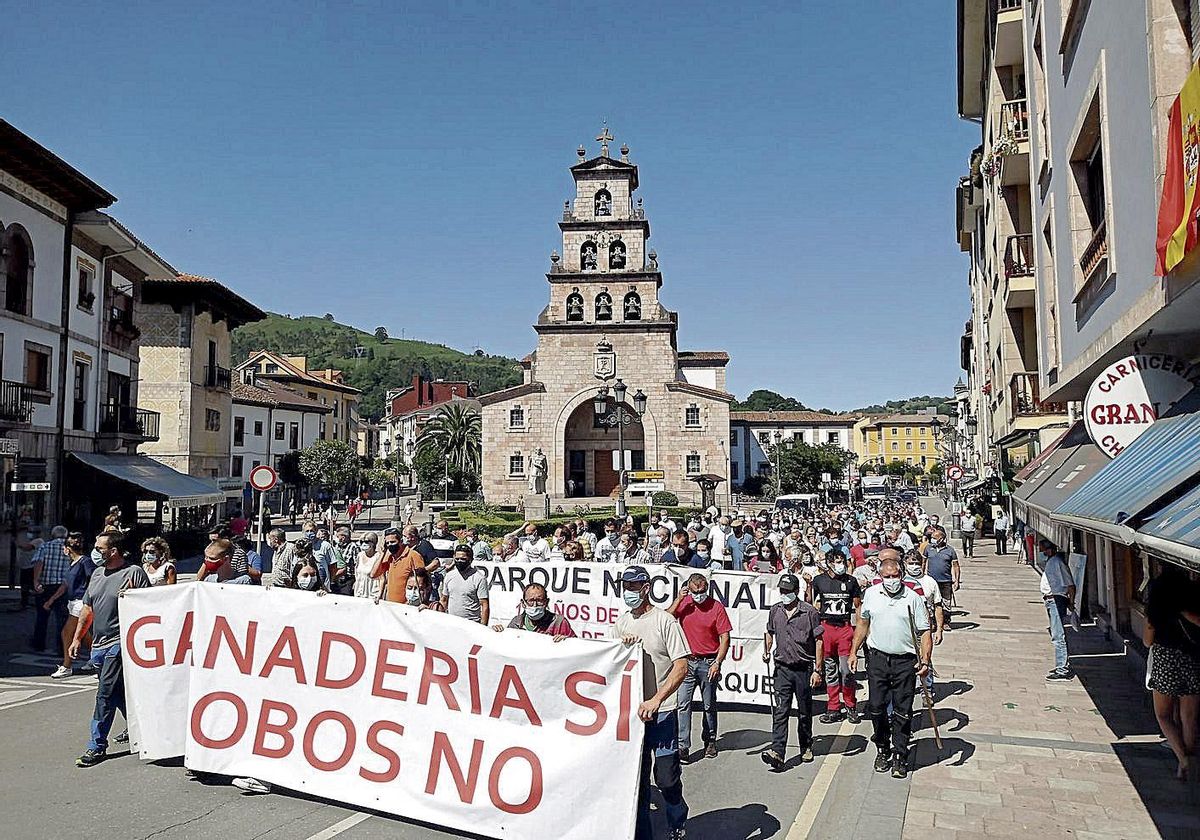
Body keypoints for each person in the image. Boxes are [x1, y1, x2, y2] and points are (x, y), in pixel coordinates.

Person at [614, 566, 690, 840]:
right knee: (638, 782)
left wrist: (657, 699)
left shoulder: (664, 621)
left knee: (666, 779)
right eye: (625, 586)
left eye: (633, 586)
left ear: (646, 588)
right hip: (634, 716)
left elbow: (681, 666)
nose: (628, 591)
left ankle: (677, 817)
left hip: (663, 713)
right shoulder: (622, 624)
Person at [849, 553, 932, 779]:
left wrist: (925, 660)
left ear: (901, 575)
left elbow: (925, 632)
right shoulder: (871, 594)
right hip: (877, 660)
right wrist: (854, 651)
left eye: (895, 576)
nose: (892, 580)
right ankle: (882, 748)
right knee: (876, 707)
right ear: (880, 576)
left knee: (902, 710)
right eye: (887, 576)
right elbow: (863, 623)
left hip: (905, 661)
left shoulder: (913, 598)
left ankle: (900, 754)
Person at [70, 531, 150, 766]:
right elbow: (88, 609)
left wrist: (135, 596)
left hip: (119, 643)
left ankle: (97, 746)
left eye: (100, 548)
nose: (95, 552)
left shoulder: (133, 572)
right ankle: (143, 730)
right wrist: (77, 638)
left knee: (104, 694)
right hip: (98, 646)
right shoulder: (97, 573)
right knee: (117, 693)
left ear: (113, 551)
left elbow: (150, 608)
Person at [761, 573, 824, 769]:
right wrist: (766, 650)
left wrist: (818, 670)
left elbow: (819, 641)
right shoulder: (775, 610)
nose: (784, 594)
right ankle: (777, 752)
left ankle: (806, 746)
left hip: (803, 669)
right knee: (781, 711)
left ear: (796, 591)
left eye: (788, 591)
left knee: (804, 712)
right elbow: (769, 632)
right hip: (782, 669)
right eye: (782, 590)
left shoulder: (809, 612)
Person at [1143, 566, 1200, 780]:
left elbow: (1147, 642)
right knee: (1189, 717)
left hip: (1165, 662)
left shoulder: (1156, 609)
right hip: (1192, 660)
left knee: (1163, 715)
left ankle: (1182, 759)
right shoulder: (1192, 604)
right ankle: (1191, 762)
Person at [669, 572, 731, 762]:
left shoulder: (716, 607)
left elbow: (725, 638)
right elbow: (665, 618)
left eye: (702, 591)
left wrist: (717, 662)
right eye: (695, 592)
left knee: (708, 705)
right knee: (683, 704)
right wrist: (679, 599)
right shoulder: (685, 603)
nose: (698, 595)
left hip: (708, 662)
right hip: (687, 662)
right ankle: (683, 746)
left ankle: (710, 740)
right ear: (689, 590)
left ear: (707, 589)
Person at [811, 549, 862, 724]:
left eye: (843, 561)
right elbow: (812, 603)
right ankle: (833, 707)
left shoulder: (851, 581)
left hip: (844, 629)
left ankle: (850, 705)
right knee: (830, 671)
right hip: (826, 628)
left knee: (847, 671)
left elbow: (858, 607)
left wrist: (860, 631)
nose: (841, 565)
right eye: (837, 561)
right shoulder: (819, 580)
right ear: (829, 563)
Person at [45, 532, 94, 678]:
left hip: (81, 602)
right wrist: (52, 600)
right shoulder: (72, 564)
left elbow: (93, 579)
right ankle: (99, 659)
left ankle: (67, 665)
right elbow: (65, 585)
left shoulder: (85, 562)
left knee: (67, 633)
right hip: (73, 602)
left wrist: (89, 599)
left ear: (68, 549)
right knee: (84, 635)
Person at [1038, 540, 1076, 680]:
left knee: (1058, 635)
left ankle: (1062, 669)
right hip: (1050, 600)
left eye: (1043, 549)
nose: (1041, 552)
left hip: (1056, 599)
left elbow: (1070, 585)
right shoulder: (1051, 562)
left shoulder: (1057, 562)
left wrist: (1071, 602)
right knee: (1056, 633)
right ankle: (1062, 665)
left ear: (1049, 549)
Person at [31, 525, 71, 654]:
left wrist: (36, 581)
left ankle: (39, 644)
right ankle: (61, 647)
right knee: (62, 618)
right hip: (63, 586)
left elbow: (39, 562)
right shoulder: (69, 548)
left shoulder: (45, 546)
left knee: (42, 616)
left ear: (52, 535)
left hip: (46, 584)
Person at [492, 583, 576, 638]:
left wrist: (567, 641)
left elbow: (576, 648)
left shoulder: (559, 622)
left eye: (539, 601)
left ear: (546, 602)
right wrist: (498, 633)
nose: (535, 605)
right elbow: (506, 645)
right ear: (523, 603)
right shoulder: (516, 622)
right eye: (531, 601)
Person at [440, 544, 489, 624]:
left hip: (472, 623)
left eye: (463, 559)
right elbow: (444, 600)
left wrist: (483, 626)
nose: (459, 561)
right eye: (457, 559)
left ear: (471, 560)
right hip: (452, 622)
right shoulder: (449, 576)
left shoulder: (479, 578)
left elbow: (484, 604)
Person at [923, 528, 959, 628]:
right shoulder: (928, 548)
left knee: (946, 602)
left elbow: (956, 566)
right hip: (931, 580)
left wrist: (957, 580)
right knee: (931, 602)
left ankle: (946, 622)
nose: (932, 540)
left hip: (946, 581)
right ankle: (934, 622)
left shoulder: (950, 550)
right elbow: (923, 562)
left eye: (935, 538)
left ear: (942, 539)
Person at [382, 527, 425, 603]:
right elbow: (373, 574)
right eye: (387, 543)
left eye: (392, 542)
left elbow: (423, 581)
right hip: (391, 603)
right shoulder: (389, 557)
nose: (390, 545)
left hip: (407, 605)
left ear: (401, 541)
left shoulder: (413, 556)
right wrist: (383, 553)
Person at [353, 531, 387, 599]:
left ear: (373, 543)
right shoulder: (360, 555)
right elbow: (357, 573)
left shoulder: (378, 557)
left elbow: (382, 578)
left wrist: (380, 595)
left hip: (372, 593)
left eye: (366, 542)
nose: (364, 544)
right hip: (359, 593)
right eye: (361, 542)